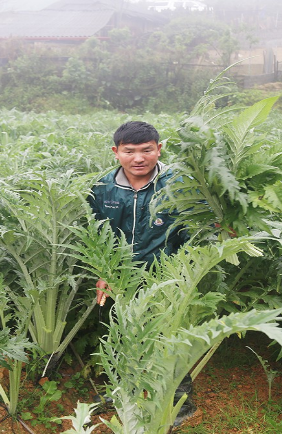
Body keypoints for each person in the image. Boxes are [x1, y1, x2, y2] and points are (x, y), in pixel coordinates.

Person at [87, 121, 195, 427]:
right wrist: (103, 272)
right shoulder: (103, 188)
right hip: (120, 276)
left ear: (159, 149)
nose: (138, 158)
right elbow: (97, 234)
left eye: (147, 150)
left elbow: (193, 230)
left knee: (167, 334)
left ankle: (180, 399)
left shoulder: (179, 183)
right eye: (129, 151)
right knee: (120, 330)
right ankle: (124, 389)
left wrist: (185, 269)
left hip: (167, 272)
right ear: (116, 152)